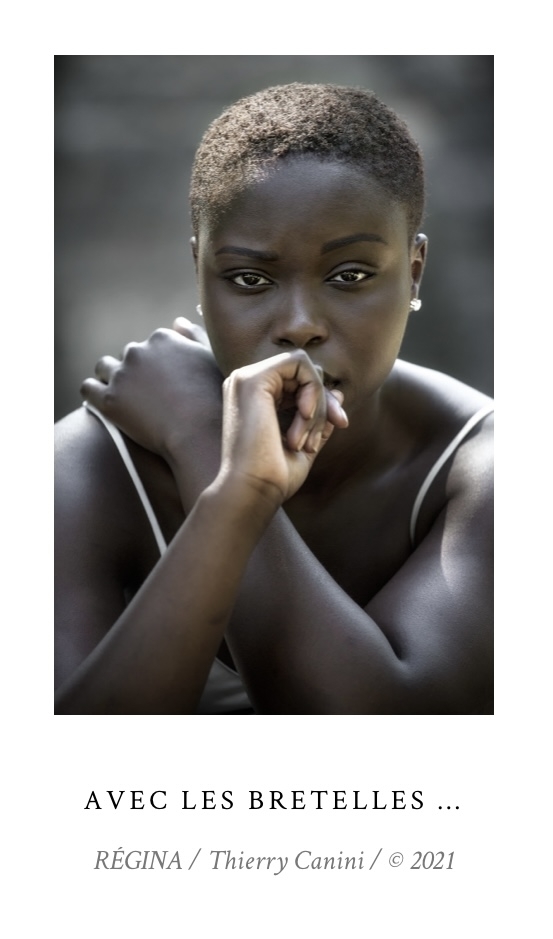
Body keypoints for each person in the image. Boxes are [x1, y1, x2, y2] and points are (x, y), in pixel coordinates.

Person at [54, 83, 493, 715]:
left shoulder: (484, 470)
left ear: (414, 271)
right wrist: (234, 484)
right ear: (200, 272)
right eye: (250, 278)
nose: (299, 324)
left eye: (349, 276)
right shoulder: (92, 464)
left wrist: (207, 442)